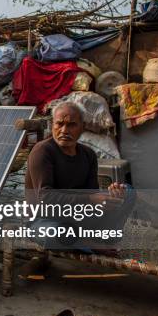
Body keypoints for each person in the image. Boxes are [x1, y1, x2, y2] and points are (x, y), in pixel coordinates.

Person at [25, 101, 134, 249]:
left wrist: (110, 198)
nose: (64, 130)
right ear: (52, 125)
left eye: (71, 125)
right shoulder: (43, 151)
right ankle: (89, 244)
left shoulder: (88, 154)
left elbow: (91, 194)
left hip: (78, 218)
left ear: (82, 127)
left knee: (127, 192)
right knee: (56, 232)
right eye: (59, 124)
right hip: (45, 220)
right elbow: (45, 200)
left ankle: (96, 239)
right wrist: (90, 199)